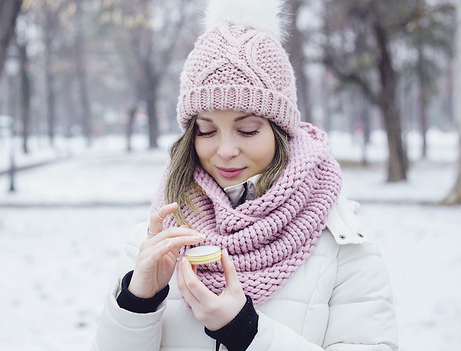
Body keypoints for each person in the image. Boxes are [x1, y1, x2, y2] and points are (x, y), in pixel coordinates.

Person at [92, 0, 398, 350]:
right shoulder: (156, 240)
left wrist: (247, 332)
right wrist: (138, 303)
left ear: (281, 132)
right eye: (207, 131)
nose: (224, 150)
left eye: (248, 130)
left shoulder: (341, 245)